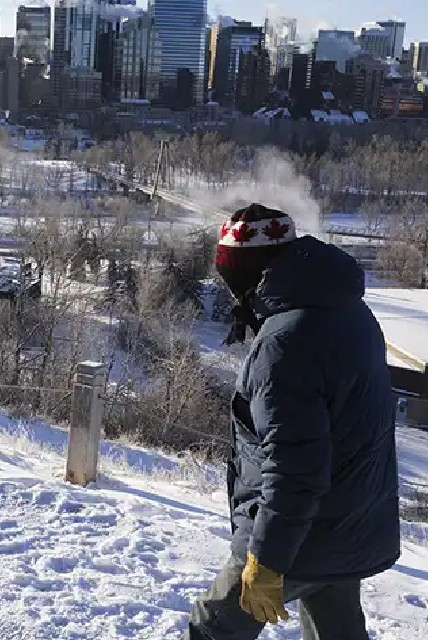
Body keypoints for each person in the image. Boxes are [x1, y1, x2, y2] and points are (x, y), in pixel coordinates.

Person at [185, 204, 400, 640]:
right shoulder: (348, 310)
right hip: (352, 520)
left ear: (248, 269)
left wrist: (266, 560)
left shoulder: (285, 342)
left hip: (303, 534)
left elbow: (293, 468)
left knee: (214, 628)